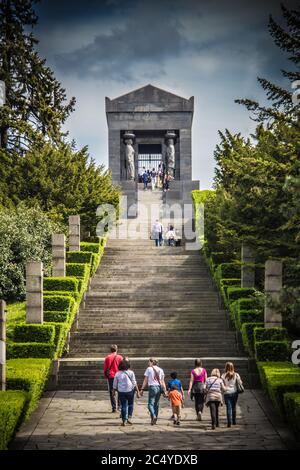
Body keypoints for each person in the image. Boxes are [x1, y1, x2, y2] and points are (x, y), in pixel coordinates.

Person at [113, 359, 140, 426]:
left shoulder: (117, 373)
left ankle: (124, 420)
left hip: (121, 392)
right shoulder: (131, 372)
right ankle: (129, 417)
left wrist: (113, 391)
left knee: (123, 405)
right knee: (130, 404)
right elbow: (134, 382)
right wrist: (135, 390)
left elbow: (114, 384)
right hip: (130, 391)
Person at [140, 358, 167, 425]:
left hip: (152, 387)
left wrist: (142, 389)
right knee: (156, 404)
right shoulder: (161, 370)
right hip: (159, 387)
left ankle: (153, 416)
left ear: (152, 362)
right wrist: (165, 390)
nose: (148, 363)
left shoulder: (149, 369)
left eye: (149, 362)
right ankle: (154, 419)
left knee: (150, 404)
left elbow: (145, 380)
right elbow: (162, 381)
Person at [221, 362, 243, 427]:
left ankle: (229, 422)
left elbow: (222, 384)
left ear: (226, 367)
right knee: (234, 407)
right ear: (233, 367)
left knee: (228, 408)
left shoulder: (223, 375)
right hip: (234, 392)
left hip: (227, 393)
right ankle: (234, 421)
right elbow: (240, 382)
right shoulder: (236, 375)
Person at [103, 344, 123, 412]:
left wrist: (106, 376)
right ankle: (119, 406)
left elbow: (105, 369)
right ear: (117, 349)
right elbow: (123, 368)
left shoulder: (107, 357)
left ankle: (114, 407)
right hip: (119, 376)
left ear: (110, 350)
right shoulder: (120, 357)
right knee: (120, 391)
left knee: (112, 392)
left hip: (111, 377)